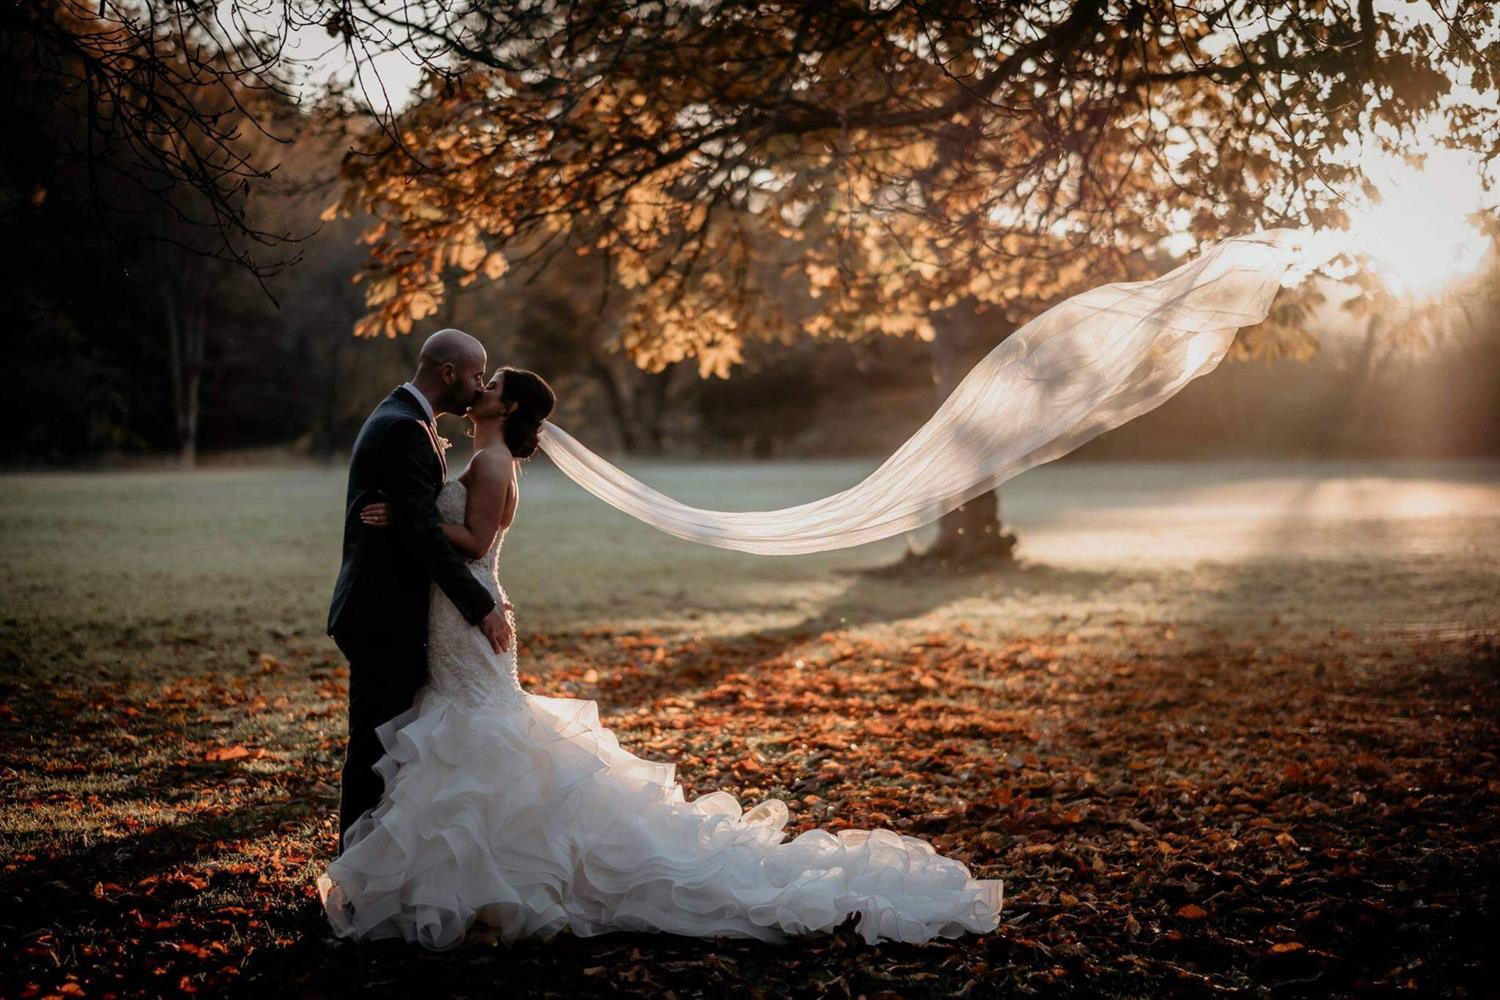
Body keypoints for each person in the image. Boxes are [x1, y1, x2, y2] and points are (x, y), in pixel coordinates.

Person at [315, 361, 1004, 950]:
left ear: (509, 407)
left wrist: (410, 518)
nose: (480, 388)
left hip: (471, 616)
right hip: (455, 616)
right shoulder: (483, 457)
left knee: (480, 734)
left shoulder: (493, 462)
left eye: (491, 384)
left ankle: (492, 882)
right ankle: (468, 881)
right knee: (468, 733)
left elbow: (473, 540)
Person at [326, 328, 514, 854]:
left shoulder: (405, 417)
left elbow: (420, 521)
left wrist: (410, 516)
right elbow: (426, 537)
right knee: (375, 749)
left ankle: (380, 861)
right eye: (476, 375)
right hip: (382, 613)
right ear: (448, 373)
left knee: (392, 745)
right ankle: (356, 868)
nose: (479, 387)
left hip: (394, 610)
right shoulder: (404, 427)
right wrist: (480, 606)